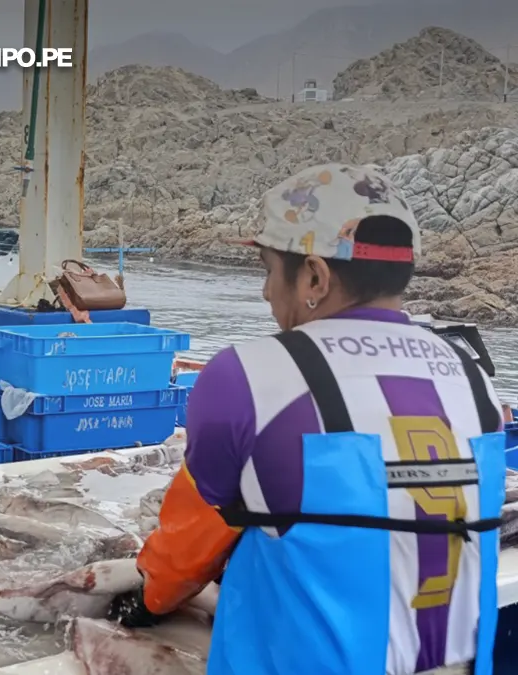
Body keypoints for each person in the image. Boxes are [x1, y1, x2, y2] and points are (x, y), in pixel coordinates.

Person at [109, 164, 506, 675]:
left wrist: (149, 600)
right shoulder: (475, 379)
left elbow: (193, 539)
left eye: (269, 271)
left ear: (314, 277)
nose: (265, 292)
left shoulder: (246, 376)